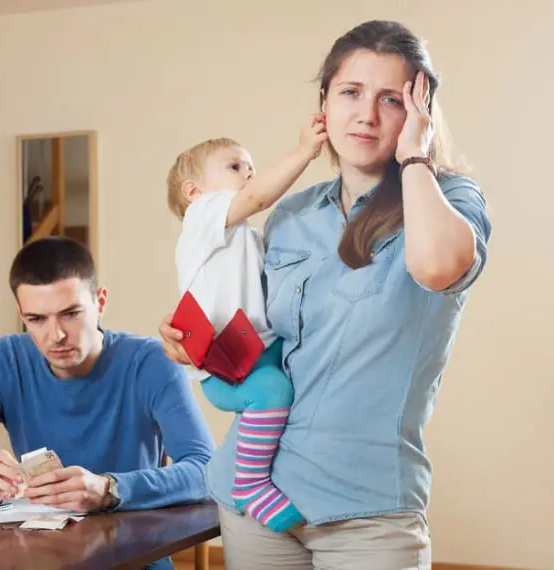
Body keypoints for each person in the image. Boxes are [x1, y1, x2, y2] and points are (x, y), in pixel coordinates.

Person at [159, 19, 492, 570]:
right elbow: (254, 321)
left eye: (392, 99)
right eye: (351, 92)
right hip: (255, 504)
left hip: (368, 514)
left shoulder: (450, 198)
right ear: (324, 103)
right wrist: (188, 336)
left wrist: (415, 157)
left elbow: (437, 267)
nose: (366, 114)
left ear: (420, 113)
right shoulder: (290, 212)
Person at [0, 236, 215, 570]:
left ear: (100, 302)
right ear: (21, 314)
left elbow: (205, 469)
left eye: (70, 314)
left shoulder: (151, 363)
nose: (55, 335)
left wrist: (109, 489)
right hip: (39, 557)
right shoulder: (4, 360)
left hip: (135, 555)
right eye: (36, 319)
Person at [164, 119, 325, 533]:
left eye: (249, 165)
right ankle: (250, 482)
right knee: (273, 391)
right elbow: (257, 196)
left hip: (256, 348)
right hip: (225, 364)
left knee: (288, 381)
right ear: (194, 192)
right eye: (234, 166)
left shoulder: (243, 238)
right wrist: (304, 150)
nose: (248, 173)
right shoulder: (202, 218)